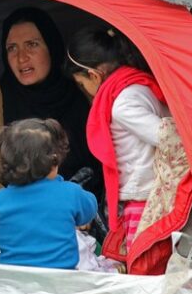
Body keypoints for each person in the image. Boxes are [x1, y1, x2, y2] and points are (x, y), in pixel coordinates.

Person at [0, 7, 102, 217]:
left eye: (32, 45)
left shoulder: (84, 90)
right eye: (12, 48)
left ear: (52, 46)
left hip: (90, 211)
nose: (21, 57)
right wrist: (32, 218)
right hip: (21, 220)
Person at [64, 25, 170, 252]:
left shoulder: (123, 104)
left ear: (93, 75)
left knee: (143, 266)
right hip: (152, 194)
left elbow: (167, 137)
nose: (84, 91)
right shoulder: (139, 85)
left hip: (143, 199)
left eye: (81, 84)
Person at [0, 118, 98, 269]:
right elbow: (89, 211)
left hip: (14, 283)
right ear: (54, 160)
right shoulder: (70, 193)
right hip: (62, 283)